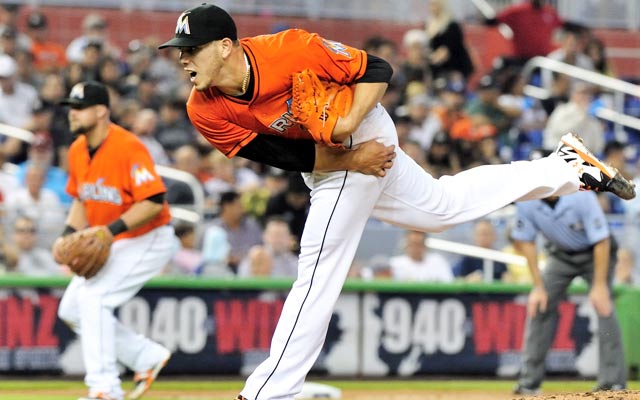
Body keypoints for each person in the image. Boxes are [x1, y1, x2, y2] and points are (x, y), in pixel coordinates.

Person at [157, 5, 635, 400]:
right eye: (179, 52)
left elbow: (378, 69)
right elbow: (280, 154)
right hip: (328, 160)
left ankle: (269, 391)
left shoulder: (290, 48)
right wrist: (345, 157)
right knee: (441, 209)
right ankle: (566, 167)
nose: (183, 60)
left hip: (362, 128)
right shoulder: (203, 109)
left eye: (191, 49)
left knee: (320, 263)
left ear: (225, 47)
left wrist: (349, 127)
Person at [54, 81, 176, 400]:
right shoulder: (78, 149)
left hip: (150, 236)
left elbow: (153, 201)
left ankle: (105, 389)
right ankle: (144, 356)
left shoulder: (127, 146)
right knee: (71, 308)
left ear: (101, 111)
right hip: (116, 239)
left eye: (79, 108)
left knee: (94, 299)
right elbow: (81, 200)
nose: (73, 114)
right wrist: (67, 236)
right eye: (71, 107)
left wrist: (107, 232)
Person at [511, 191, 626, 394]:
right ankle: (529, 382)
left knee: (604, 307)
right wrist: (538, 286)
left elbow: (602, 240)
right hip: (560, 255)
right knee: (540, 306)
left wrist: (599, 286)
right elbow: (526, 242)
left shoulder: (580, 195)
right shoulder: (527, 200)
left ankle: (613, 383)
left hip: (595, 252)